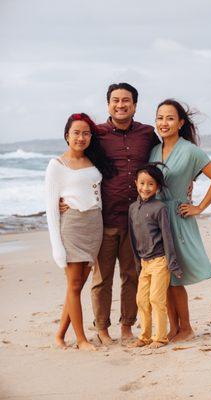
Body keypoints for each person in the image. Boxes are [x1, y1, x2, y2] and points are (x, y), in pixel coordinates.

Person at [60, 83, 160, 345]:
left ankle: (127, 326)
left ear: (135, 105)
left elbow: (165, 158)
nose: (121, 105)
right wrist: (63, 196)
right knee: (102, 278)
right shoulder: (98, 134)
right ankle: (102, 329)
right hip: (102, 218)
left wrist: (188, 181)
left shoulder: (148, 134)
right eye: (115, 100)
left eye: (126, 100)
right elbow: (73, 161)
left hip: (137, 219)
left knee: (132, 275)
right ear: (108, 105)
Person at [149, 99, 211, 342]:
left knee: (174, 276)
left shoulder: (191, 150)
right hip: (156, 218)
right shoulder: (153, 150)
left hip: (178, 218)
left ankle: (187, 328)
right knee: (163, 277)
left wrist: (199, 207)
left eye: (170, 118)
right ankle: (174, 328)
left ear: (181, 123)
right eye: (160, 117)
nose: (164, 123)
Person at [45, 113, 113, 350]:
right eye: (76, 133)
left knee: (77, 285)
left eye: (86, 133)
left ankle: (59, 335)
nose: (81, 137)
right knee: (74, 285)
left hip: (94, 225)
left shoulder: (94, 162)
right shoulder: (57, 165)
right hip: (72, 226)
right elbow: (51, 208)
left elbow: (98, 197)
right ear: (67, 135)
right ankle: (81, 339)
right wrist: (57, 248)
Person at [128, 163, 183, 349]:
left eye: (150, 184)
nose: (145, 188)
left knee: (156, 299)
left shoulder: (160, 208)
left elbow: (168, 237)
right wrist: (138, 263)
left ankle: (160, 338)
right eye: (142, 183)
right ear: (136, 183)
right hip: (144, 263)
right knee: (141, 300)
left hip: (160, 261)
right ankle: (144, 337)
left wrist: (173, 263)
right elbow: (133, 237)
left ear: (157, 187)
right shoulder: (133, 208)